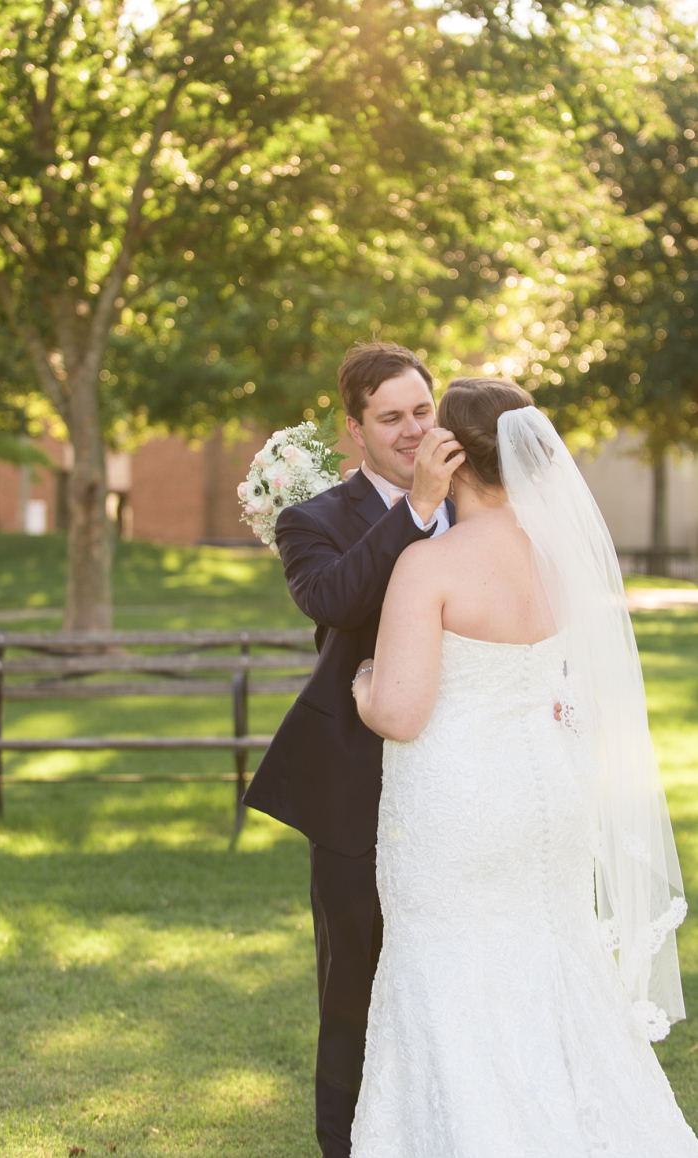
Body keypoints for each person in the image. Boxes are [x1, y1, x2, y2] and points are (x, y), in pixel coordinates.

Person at [349, 380, 696, 1153]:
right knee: (554, 958)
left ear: (452, 454)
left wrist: (364, 681)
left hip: (460, 801)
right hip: (550, 791)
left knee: (448, 968)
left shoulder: (429, 566)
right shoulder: (558, 556)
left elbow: (402, 713)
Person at [242, 342, 463, 1157]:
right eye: (391, 418)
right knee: (354, 982)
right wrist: (414, 510)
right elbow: (333, 599)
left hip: (463, 778)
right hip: (355, 791)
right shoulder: (313, 521)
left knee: (450, 969)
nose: (412, 431)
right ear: (355, 430)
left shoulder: (473, 503)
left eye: (422, 412)